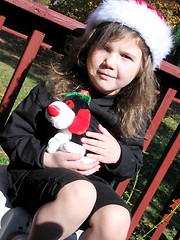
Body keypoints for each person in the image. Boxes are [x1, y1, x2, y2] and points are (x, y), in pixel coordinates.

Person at [0, 0, 173, 239]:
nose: (110, 63)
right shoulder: (55, 89)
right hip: (35, 173)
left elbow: (132, 162)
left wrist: (118, 155)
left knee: (117, 217)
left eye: (126, 56)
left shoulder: (131, 111)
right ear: (89, 47)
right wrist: (48, 158)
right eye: (105, 48)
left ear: (141, 71)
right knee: (80, 193)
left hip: (91, 183)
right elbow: (13, 134)